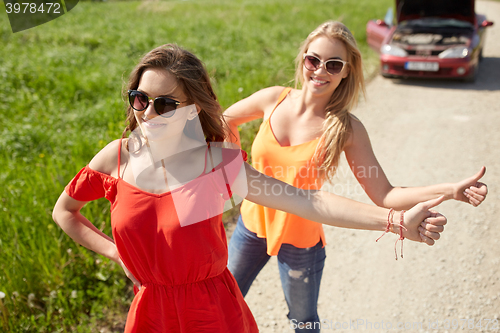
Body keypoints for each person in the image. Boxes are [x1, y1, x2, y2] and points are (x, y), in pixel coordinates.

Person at [52, 43, 447, 333]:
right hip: (150, 314)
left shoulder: (214, 167)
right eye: (139, 99)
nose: (148, 113)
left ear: (193, 108)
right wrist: (115, 252)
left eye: (165, 104)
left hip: (212, 316)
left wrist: (394, 220)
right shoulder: (116, 158)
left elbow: (310, 202)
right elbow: (65, 212)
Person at [223, 21, 488, 332]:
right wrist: (231, 168)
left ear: (346, 71)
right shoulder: (273, 98)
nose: (320, 71)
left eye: (333, 64)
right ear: (303, 58)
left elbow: (385, 194)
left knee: (303, 322)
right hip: (252, 224)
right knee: (223, 299)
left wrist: (450, 189)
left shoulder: (346, 128)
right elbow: (224, 121)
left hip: (301, 240)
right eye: (313, 60)